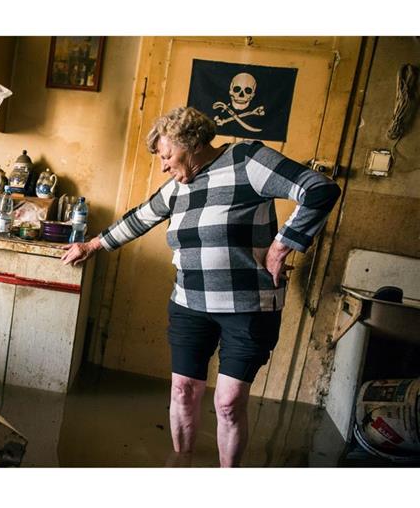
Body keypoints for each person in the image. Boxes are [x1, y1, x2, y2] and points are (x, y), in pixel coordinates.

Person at [61, 106, 341, 467]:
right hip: (190, 304)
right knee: (182, 390)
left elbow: (319, 189)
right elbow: (139, 218)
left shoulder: (247, 160)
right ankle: (182, 469)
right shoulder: (179, 187)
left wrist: (282, 244)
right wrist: (90, 246)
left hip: (248, 307)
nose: (163, 166)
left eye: (166, 156)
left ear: (190, 144)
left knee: (227, 403)